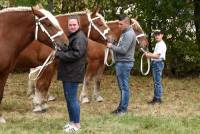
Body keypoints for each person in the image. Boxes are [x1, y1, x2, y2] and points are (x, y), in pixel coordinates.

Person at [55, 15, 87, 132]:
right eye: (70, 25)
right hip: (68, 72)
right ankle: (71, 122)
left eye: (74, 24)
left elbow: (76, 54)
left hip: (73, 73)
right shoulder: (73, 36)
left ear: (78, 24)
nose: (72, 27)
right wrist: (61, 48)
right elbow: (70, 49)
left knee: (72, 99)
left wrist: (58, 54)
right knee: (69, 99)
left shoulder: (80, 37)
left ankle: (77, 124)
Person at [107, 15, 136, 115]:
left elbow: (123, 50)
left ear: (127, 23)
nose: (119, 26)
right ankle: (120, 108)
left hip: (124, 63)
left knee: (124, 87)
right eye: (118, 24)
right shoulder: (125, 32)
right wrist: (114, 42)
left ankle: (123, 110)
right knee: (122, 87)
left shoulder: (128, 34)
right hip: (122, 63)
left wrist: (111, 46)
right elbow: (122, 46)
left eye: (121, 24)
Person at [144, 29, 167, 104]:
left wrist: (148, 55)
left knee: (157, 82)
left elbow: (157, 56)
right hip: (156, 63)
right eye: (156, 35)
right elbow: (155, 54)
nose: (157, 36)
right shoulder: (158, 44)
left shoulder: (161, 44)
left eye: (158, 34)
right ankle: (156, 98)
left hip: (158, 63)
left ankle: (158, 99)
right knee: (156, 82)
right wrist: (149, 53)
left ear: (162, 35)